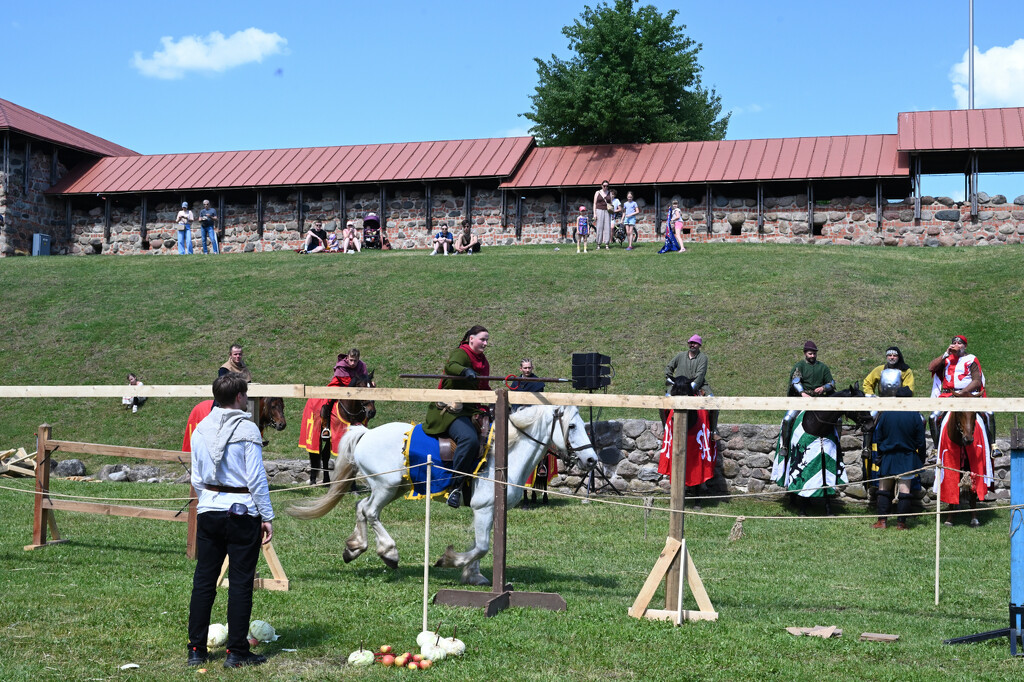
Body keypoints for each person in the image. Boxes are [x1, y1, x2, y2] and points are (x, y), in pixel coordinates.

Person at [186, 372, 274, 669]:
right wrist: (266, 515)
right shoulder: (247, 430)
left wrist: (210, 499)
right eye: (246, 395)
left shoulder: (199, 430)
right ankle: (236, 651)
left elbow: (196, 476)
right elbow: (256, 478)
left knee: (204, 580)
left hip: (209, 510)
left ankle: (196, 648)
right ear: (239, 397)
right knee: (239, 583)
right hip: (241, 512)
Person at [424, 326, 491, 508]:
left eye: (486, 340)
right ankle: (455, 487)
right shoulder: (462, 353)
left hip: (470, 410)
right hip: (450, 410)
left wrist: (496, 401)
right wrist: (465, 372)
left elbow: (483, 388)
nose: (485, 343)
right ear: (471, 339)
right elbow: (451, 366)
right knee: (469, 439)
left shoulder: (483, 362)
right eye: (482, 339)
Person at [871, 373, 926, 530]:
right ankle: (901, 523)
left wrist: (880, 455)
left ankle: (882, 522)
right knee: (904, 490)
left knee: (883, 489)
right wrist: (920, 460)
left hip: (888, 456)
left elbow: (879, 436)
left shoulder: (886, 414)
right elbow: (921, 442)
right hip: (907, 457)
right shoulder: (915, 416)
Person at [665, 334, 720, 439]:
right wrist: (671, 380)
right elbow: (669, 367)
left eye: (695, 343)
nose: (692, 345)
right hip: (678, 385)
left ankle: (713, 431)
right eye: (690, 343)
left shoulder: (703, 358)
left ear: (699, 345)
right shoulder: (680, 356)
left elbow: (700, 375)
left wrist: (690, 387)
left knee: (714, 403)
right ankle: (664, 429)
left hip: (699, 385)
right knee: (663, 403)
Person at [782, 341, 836, 443]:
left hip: (819, 399)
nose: (812, 356)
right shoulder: (800, 366)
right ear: (805, 353)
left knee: (837, 420)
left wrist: (823, 388)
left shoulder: (823, 367)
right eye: (810, 353)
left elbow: (831, 383)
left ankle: (836, 444)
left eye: (814, 353)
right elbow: (795, 381)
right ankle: (784, 445)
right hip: (801, 399)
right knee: (787, 419)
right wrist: (802, 393)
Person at [593, 180, 612, 249]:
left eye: (607, 186)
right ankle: (598, 244)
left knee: (607, 227)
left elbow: (611, 203)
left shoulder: (610, 193)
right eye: (604, 186)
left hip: (607, 211)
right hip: (599, 210)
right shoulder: (597, 192)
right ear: (601, 186)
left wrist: (611, 212)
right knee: (599, 227)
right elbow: (594, 203)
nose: (605, 187)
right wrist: (594, 213)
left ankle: (607, 244)